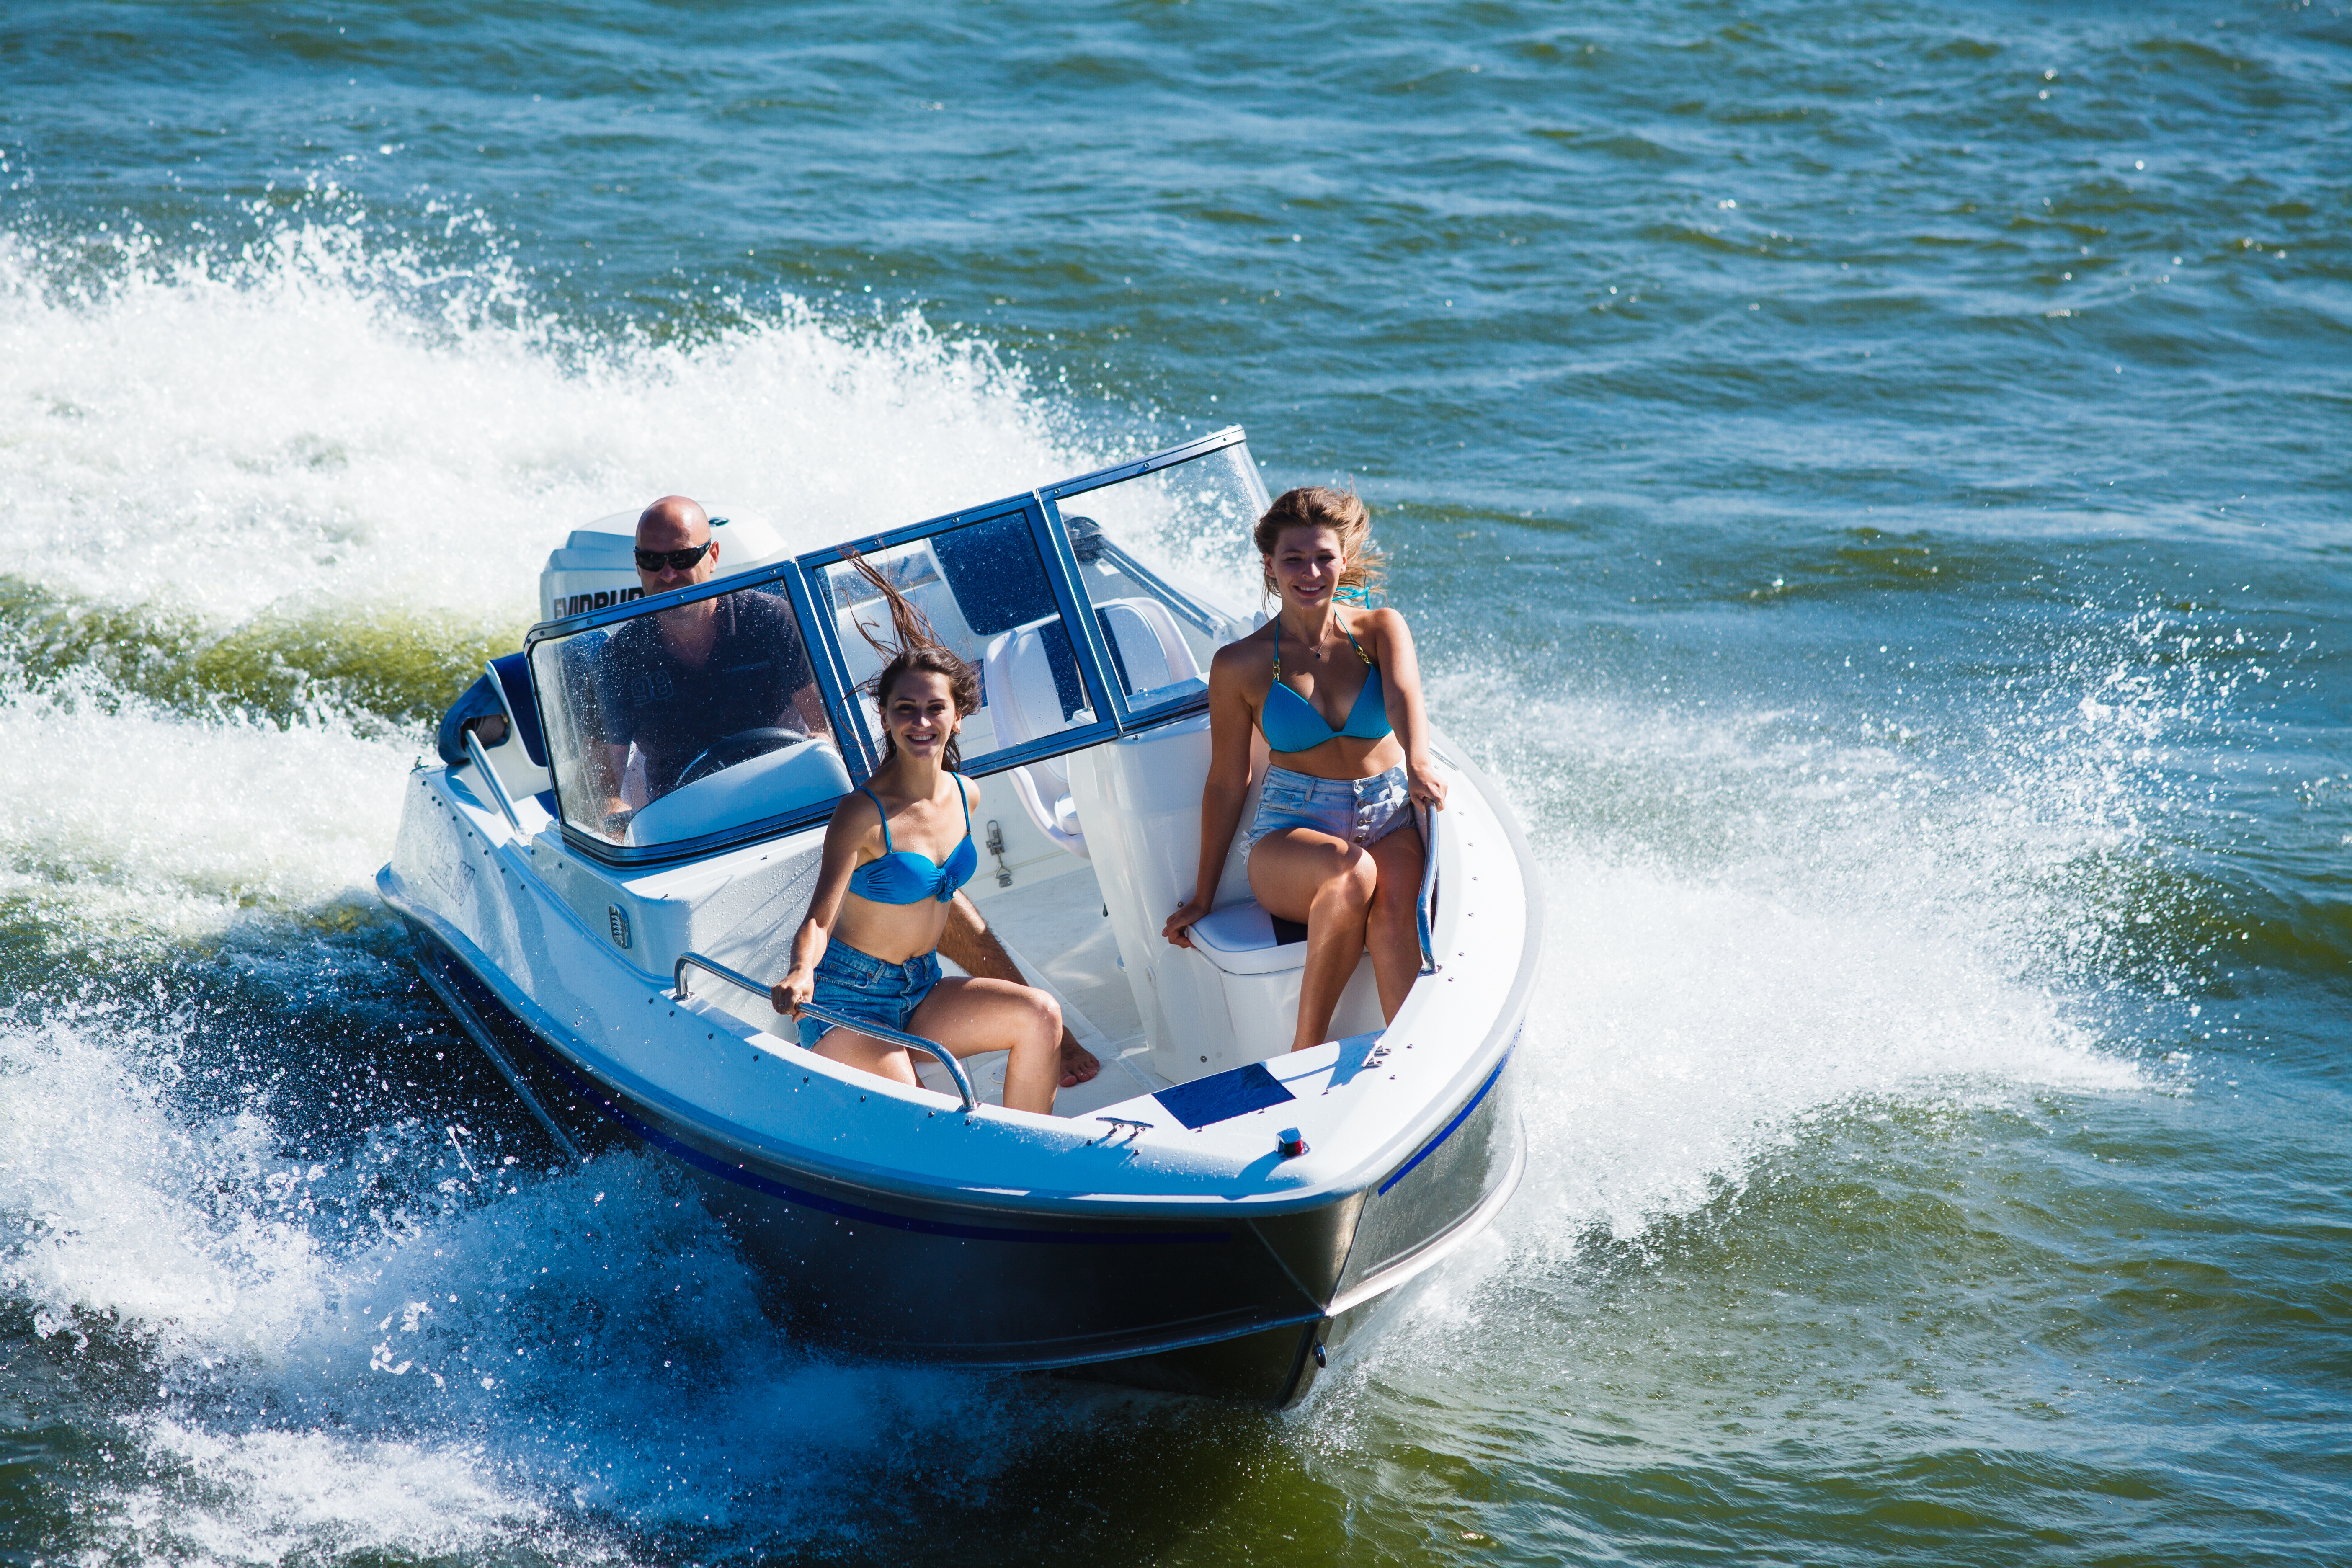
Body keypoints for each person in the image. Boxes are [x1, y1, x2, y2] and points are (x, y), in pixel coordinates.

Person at [769, 557, 1068, 1113]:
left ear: (959, 717)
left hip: (922, 986)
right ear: (884, 718)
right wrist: (800, 972)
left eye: (936, 709)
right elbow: (818, 919)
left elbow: (946, 900)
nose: (921, 722)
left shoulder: (965, 794)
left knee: (1041, 1014)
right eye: (905, 710)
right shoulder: (862, 814)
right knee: (932, 1114)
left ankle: (1032, 1163)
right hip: (849, 1001)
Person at [1159, 487, 1445, 1053]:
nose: (1310, 572)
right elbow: (1226, 781)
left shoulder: (1381, 631)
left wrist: (1418, 762)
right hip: (1295, 827)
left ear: (1344, 560)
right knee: (1349, 874)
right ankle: (1305, 1048)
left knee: (1393, 919)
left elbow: (1406, 700)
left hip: (1388, 814)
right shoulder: (1239, 664)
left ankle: (1414, 1061)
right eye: (1294, 559)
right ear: (1269, 566)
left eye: (1323, 557)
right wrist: (1203, 895)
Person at [589, 495, 831, 833]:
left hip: (788, 806)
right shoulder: (618, 658)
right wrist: (620, 825)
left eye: (683, 557)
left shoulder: (771, 621)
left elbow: (830, 731)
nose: (668, 574)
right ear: (637, 565)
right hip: (683, 834)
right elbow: (604, 791)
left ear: (713, 556)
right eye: (652, 560)